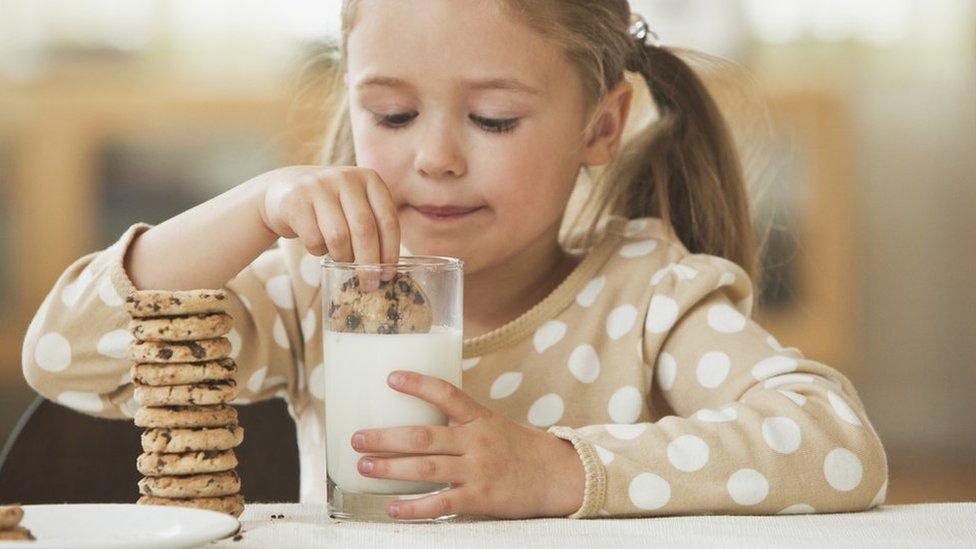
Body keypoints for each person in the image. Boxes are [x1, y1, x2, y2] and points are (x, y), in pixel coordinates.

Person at [22, 0, 887, 520]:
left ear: (601, 127)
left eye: (495, 119)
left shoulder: (647, 291)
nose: (434, 158)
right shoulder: (314, 289)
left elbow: (837, 443)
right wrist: (255, 207)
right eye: (393, 115)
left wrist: (557, 470)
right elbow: (67, 354)